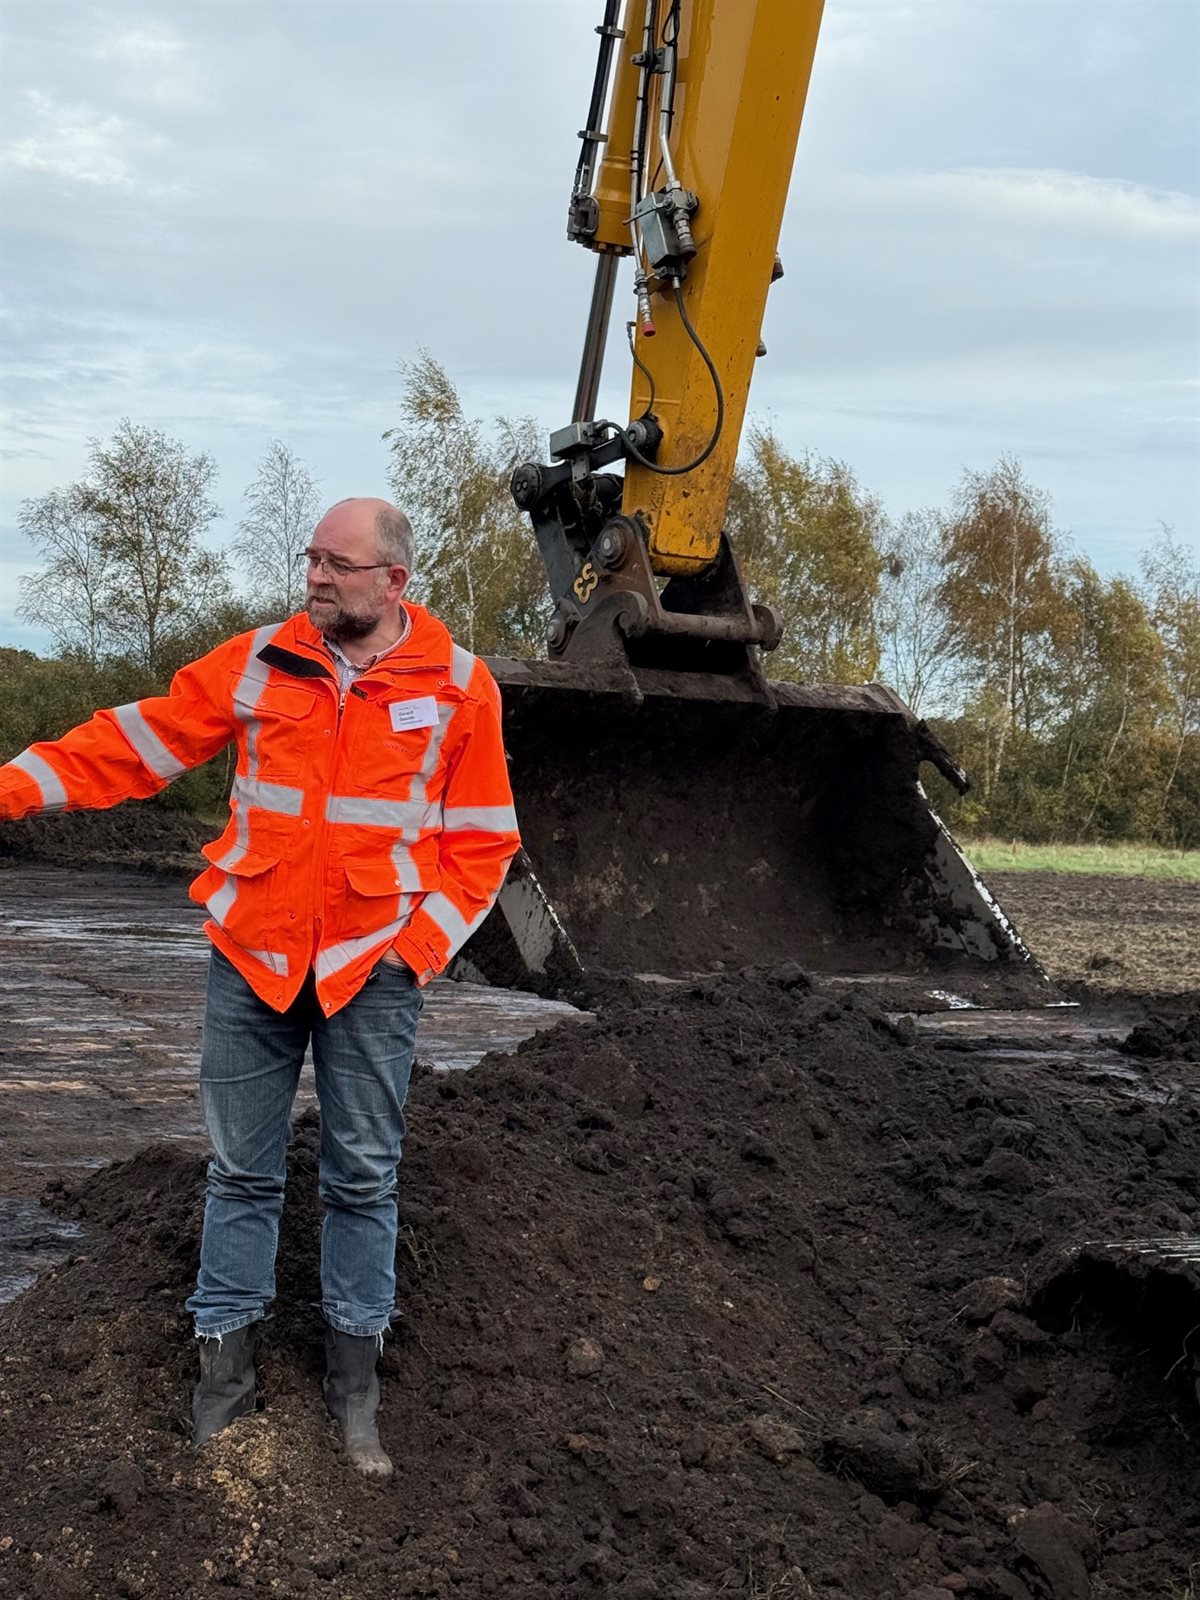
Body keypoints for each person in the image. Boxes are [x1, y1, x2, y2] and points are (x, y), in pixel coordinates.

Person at [0, 497, 520, 1478]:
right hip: (253, 957)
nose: (316, 576)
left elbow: (482, 840)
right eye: (310, 558)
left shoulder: (459, 688)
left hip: (372, 969)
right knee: (240, 1172)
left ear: (394, 581)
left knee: (362, 1178)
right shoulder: (259, 661)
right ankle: (223, 1386)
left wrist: (420, 947)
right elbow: (136, 742)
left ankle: (353, 1394)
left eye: (338, 562)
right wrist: (13, 786)